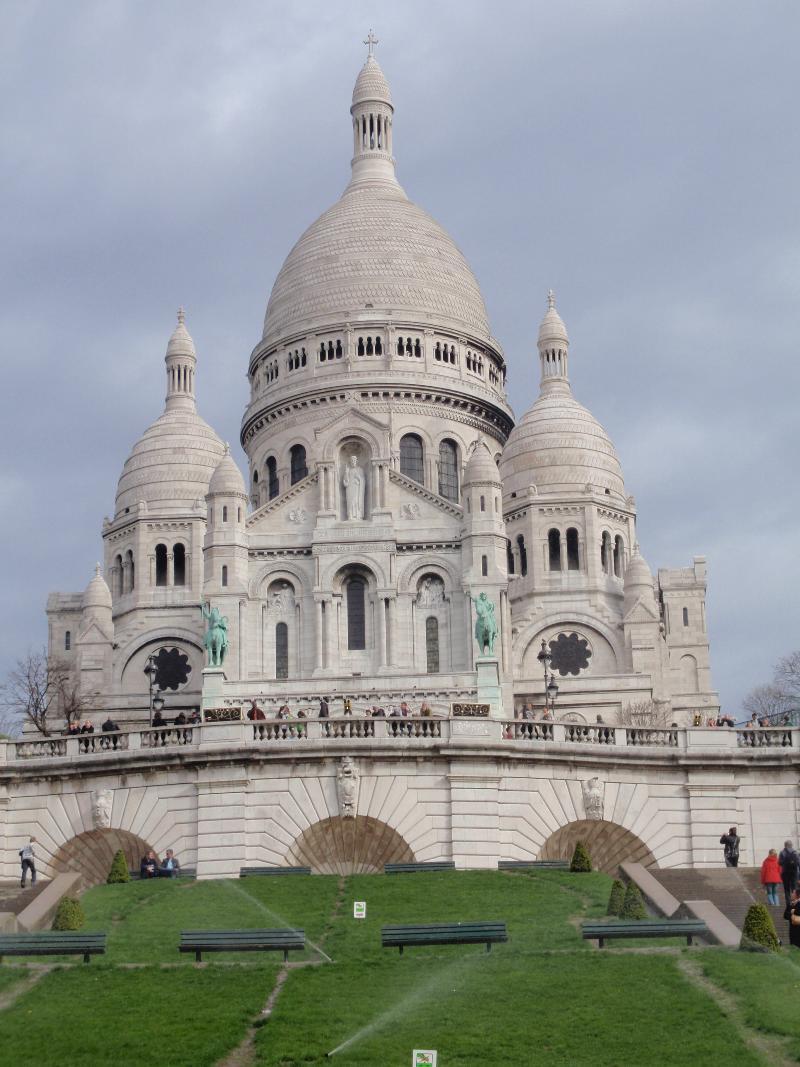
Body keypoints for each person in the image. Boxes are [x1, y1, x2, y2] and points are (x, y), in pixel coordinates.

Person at [779, 840, 800, 910]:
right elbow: (798, 863)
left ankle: (788, 904)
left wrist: (785, 863)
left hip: (785, 873)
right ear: (791, 845)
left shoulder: (782, 852)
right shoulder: (795, 852)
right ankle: (795, 903)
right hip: (794, 873)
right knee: (794, 889)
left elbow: (779, 863)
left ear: (785, 845)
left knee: (787, 890)